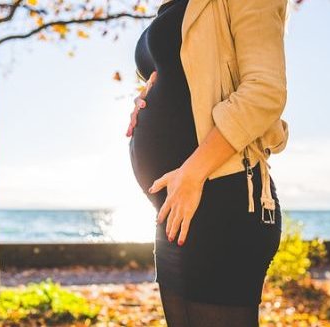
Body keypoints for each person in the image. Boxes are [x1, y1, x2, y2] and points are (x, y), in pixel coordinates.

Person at [126, 0, 290, 326]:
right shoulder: (171, 6)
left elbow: (265, 91)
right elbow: (184, 79)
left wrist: (193, 172)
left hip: (223, 200)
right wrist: (143, 99)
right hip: (175, 209)